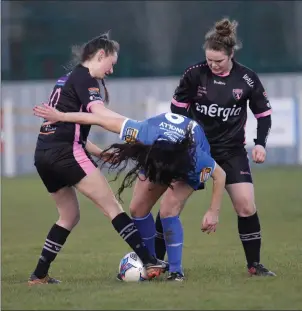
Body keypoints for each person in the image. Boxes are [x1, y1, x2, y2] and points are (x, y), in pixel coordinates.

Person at [28, 32, 168, 286]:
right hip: (66, 154)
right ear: (100, 55)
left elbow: (70, 130)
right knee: (113, 207)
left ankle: (38, 275)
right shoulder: (85, 78)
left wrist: (99, 153)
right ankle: (149, 260)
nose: (111, 70)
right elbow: (99, 114)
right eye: (111, 63)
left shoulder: (65, 79)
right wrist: (133, 127)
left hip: (44, 154)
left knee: (68, 216)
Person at [33, 105, 226, 282]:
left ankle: (176, 271)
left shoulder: (196, 157)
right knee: (137, 209)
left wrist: (213, 211)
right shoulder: (143, 132)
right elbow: (100, 119)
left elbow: (220, 175)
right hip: (158, 157)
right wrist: (62, 116)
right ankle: (152, 263)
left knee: (168, 211)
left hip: (183, 165)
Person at [154, 18, 276, 277]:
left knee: (245, 206)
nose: (213, 65)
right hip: (195, 150)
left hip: (231, 151)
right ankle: (154, 263)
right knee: (169, 207)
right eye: (209, 60)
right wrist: (182, 140)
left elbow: (263, 115)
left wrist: (260, 145)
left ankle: (254, 265)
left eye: (218, 61)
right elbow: (177, 109)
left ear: (231, 54)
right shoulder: (194, 74)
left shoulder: (247, 79)